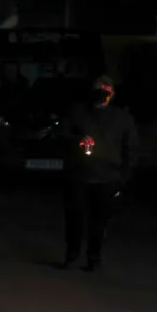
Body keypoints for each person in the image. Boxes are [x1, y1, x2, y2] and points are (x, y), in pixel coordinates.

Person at [60, 75, 138, 272]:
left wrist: (122, 178)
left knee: (99, 221)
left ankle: (93, 258)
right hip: (79, 175)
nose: (102, 94)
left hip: (107, 178)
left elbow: (131, 150)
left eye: (106, 90)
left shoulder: (122, 118)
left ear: (112, 94)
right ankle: (72, 254)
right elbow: (62, 135)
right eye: (98, 89)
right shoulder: (78, 112)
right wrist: (78, 141)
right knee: (75, 217)